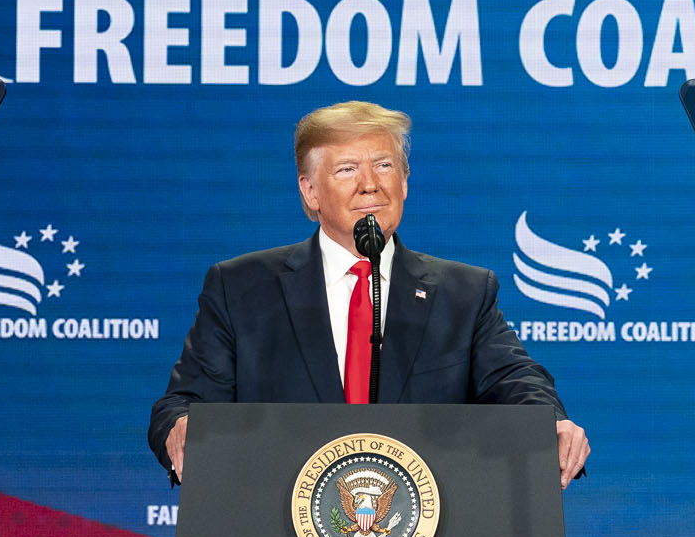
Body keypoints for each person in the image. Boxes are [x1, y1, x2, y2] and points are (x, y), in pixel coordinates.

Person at [148, 100, 588, 486]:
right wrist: (184, 426)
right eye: (346, 170)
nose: (370, 184)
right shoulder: (242, 288)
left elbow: (515, 380)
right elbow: (185, 402)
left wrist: (550, 423)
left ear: (405, 181)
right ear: (310, 190)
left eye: (384, 165)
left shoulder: (465, 293)